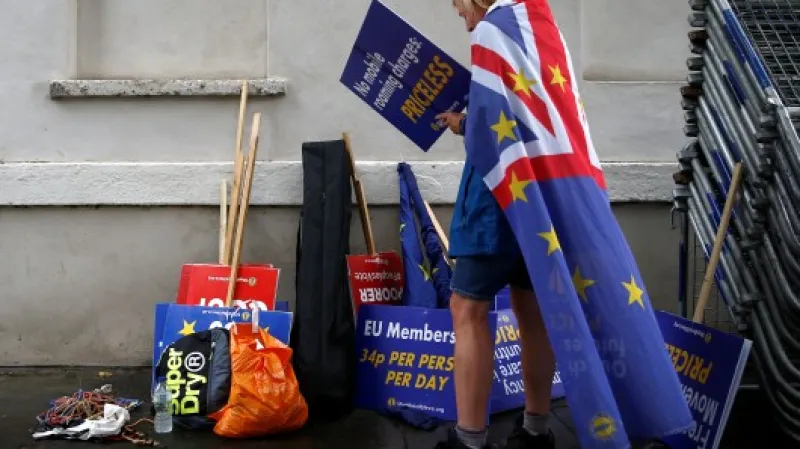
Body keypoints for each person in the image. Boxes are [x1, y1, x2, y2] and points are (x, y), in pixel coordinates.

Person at [433, 1, 558, 448]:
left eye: (461, 9)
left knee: (467, 311)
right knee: (533, 312)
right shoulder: (537, 27)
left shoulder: (491, 30)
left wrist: (461, 124)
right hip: (541, 196)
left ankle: (469, 439)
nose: (463, 20)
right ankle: (537, 431)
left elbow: (490, 128)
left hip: (494, 198)